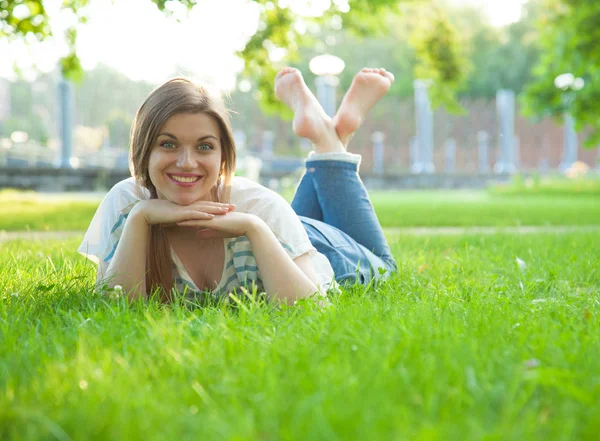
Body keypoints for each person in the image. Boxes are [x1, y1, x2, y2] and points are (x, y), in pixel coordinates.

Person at [78, 66, 397, 304]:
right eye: (168, 144)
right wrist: (140, 217)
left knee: (385, 267)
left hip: (326, 252)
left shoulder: (260, 209)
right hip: (287, 230)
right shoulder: (125, 203)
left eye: (204, 147)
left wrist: (253, 227)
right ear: (143, 150)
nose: (187, 162)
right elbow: (114, 308)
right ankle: (332, 136)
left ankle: (330, 142)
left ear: (224, 156)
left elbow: (311, 311)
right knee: (285, 218)